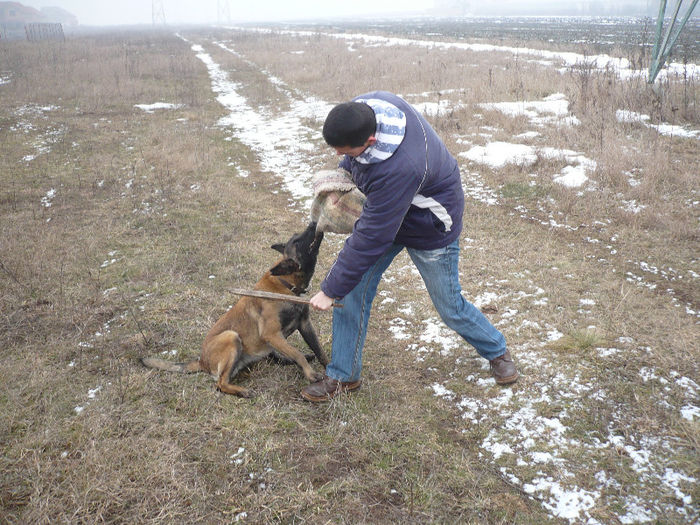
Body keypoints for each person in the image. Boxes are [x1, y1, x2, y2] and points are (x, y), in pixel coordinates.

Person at [303, 91, 517, 402]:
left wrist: (329, 289)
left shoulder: (402, 166)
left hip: (428, 224)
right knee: (351, 291)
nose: (345, 156)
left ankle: (497, 350)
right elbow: (356, 168)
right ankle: (343, 376)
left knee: (450, 307)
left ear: (371, 140)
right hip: (389, 211)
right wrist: (343, 170)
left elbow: (371, 237)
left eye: (350, 152)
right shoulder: (370, 105)